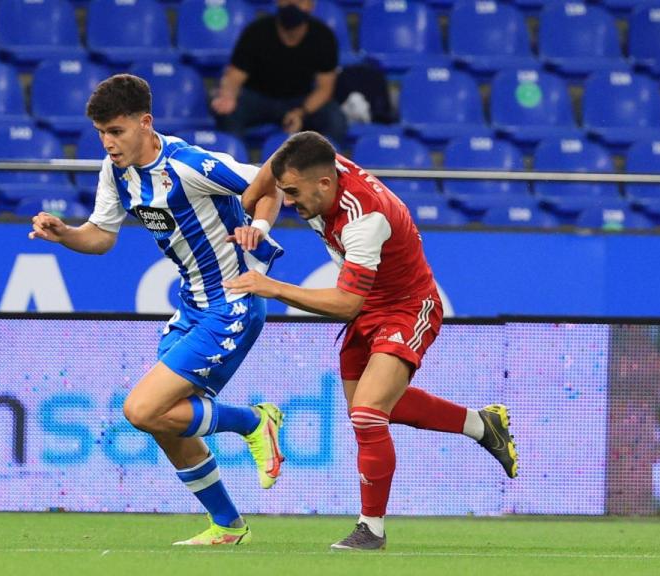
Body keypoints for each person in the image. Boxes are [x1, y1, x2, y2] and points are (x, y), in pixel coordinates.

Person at [224, 132, 518, 551]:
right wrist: (258, 221)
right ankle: (480, 424)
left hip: (406, 305)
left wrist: (272, 287)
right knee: (374, 408)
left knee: (366, 412)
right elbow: (278, 164)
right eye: (285, 191)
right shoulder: (317, 166)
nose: (287, 200)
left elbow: (345, 302)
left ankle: (371, 530)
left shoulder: (364, 217)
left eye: (293, 193)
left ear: (325, 184)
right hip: (370, 306)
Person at [30, 74, 287, 546]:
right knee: (164, 422)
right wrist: (64, 233)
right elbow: (102, 237)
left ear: (145, 123)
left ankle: (254, 421)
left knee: (142, 409)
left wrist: (261, 225)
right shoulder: (116, 171)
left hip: (232, 304)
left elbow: (272, 183)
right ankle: (228, 526)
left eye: (117, 131)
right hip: (192, 305)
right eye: (102, 133)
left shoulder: (191, 164)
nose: (108, 143)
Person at [211, 0, 347, 144]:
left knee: (334, 119)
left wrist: (301, 112)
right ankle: (235, 160)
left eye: (299, 2)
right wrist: (228, 95)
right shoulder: (257, 31)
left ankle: (323, 164)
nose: (292, 5)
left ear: (310, 6)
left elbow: (325, 88)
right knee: (226, 110)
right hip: (258, 98)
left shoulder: (323, 36)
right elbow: (234, 75)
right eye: (287, 1)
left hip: (301, 99)